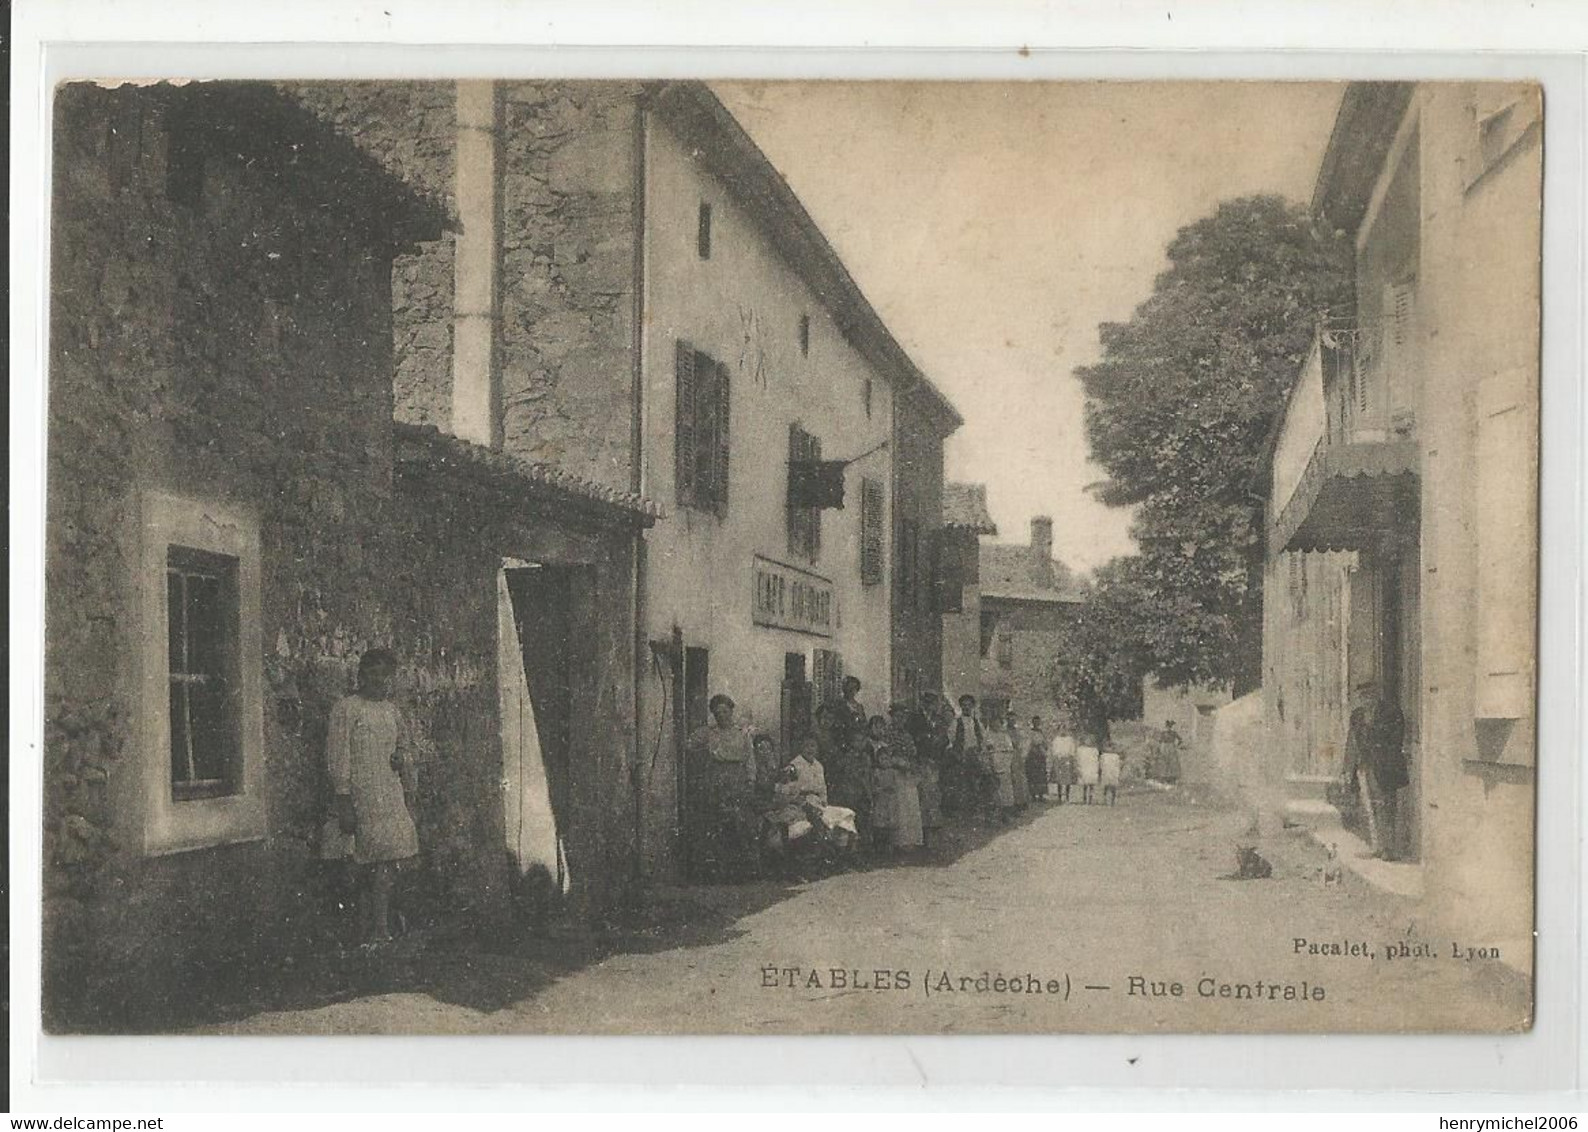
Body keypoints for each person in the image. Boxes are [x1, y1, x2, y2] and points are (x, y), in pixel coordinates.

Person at [325, 648, 419, 947]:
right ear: (362, 676)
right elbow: (338, 754)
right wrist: (343, 797)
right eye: (373, 674)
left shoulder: (391, 711)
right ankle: (359, 929)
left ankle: (381, 928)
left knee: (389, 858)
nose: (380, 681)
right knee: (357, 859)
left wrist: (401, 760)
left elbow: (404, 747)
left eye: (385, 675)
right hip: (360, 792)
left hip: (388, 791)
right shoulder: (347, 708)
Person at [686, 693, 761, 882]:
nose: (722, 716)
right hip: (716, 779)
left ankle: (742, 870)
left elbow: (749, 760)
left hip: (737, 780)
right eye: (717, 712)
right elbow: (689, 745)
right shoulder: (709, 733)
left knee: (739, 823)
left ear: (731, 712)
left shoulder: (742, 734)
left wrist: (750, 780)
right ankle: (719, 870)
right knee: (716, 823)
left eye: (725, 711)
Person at [762, 735, 858, 866]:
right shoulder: (795, 765)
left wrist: (824, 801)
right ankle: (815, 860)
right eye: (806, 746)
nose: (810, 749)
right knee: (814, 823)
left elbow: (823, 788)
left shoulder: (819, 766)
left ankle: (841, 859)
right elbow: (790, 789)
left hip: (818, 801)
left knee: (845, 816)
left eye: (813, 746)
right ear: (801, 747)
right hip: (802, 801)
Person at [1342, 686, 1408, 860]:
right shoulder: (1357, 716)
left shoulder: (1391, 713)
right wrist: (1348, 768)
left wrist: (1385, 758)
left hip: (1385, 768)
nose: (1366, 699)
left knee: (1387, 806)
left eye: (1369, 695)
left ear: (1377, 695)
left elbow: (1397, 741)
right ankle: (1375, 846)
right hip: (1365, 767)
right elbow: (1352, 742)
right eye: (1362, 696)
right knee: (1369, 806)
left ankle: (1389, 848)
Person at [949, 694, 986, 818]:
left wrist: (980, 750)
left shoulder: (976, 722)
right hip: (962, 755)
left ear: (972, 707)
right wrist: (957, 752)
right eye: (964, 706)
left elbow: (982, 738)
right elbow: (951, 738)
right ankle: (963, 811)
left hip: (974, 755)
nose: (966, 708)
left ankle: (975, 810)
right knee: (962, 783)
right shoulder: (956, 722)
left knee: (975, 782)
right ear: (961, 707)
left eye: (969, 706)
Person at [983, 712, 1018, 822]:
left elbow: (1010, 749)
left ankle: (1006, 814)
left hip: (1004, 763)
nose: (995, 725)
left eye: (997, 723)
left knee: (1005, 790)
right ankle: (993, 815)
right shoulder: (987, 735)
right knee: (994, 791)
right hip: (992, 763)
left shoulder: (1005, 735)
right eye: (993, 723)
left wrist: (1005, 758)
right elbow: (985, 749)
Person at [1007, 712, 1031, 809]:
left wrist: (1023, 753)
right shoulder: (1004, 731)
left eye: (1013, 720)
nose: (1011, 721)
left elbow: (1025, 742)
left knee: (1020, 778)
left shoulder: (1019, 731)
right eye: (1009, 719)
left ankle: (1022, 801)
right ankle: (1012, 802)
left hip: (1017, 755)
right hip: (1008, 755)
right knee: (1011, 778)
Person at [1048, 728, 1078, 803]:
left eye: (1064, 729)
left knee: (1068, 778)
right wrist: (1055, 758)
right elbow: (1054, 751)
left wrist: (1071, 758)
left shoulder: (1070, 739)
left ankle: (1067, 796)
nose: (1063, 731)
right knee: (1059, 778)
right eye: (1061, 729)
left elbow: (1072, 750)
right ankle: (1059, 796)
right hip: (1059, 759)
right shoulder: (1056, 740)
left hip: (1067, 759)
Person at [1026, 716, 1051, 802]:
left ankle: (1041, 795)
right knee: (1033, 775)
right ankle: (1033, 795)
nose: (1037, 724)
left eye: (1038, 722)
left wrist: (1044, 748)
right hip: (1032, 755)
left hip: (1041, 755)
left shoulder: (1041, 732)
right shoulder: (1030, 732)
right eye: (1035, 722)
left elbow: (1045, 743)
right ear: (1033, 723)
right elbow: (1028, 744)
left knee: (1041, 775)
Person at [1151, 720, 1184, 785]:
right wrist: (1159, 748)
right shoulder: (1163, 733)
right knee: (1164, 761)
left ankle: (1172, 777)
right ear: (1166, 727)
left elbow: (1180, 739)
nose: (1168, 728)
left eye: (1169, 727)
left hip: (1171, 748)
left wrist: (1177, 745)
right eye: (1167, 727)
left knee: (1172, 762)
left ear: (1171, 727)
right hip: (1164, 748)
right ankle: (1163, 777)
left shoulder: (1174, 733)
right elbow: (1159, 741)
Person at [1075, 737, 1102, 805]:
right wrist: (1079, 767)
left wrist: (1097, 767)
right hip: (1085, 766)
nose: (1088, 742)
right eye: (1087, 740)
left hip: (1092, 767)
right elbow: (1078, 758)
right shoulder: (1081, 749)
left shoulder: (1094, 750)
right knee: (1085, 783)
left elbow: (1096, 759)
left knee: (1091, 784)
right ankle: (1084, 798)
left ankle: (1090, 798)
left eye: (1089, 741)